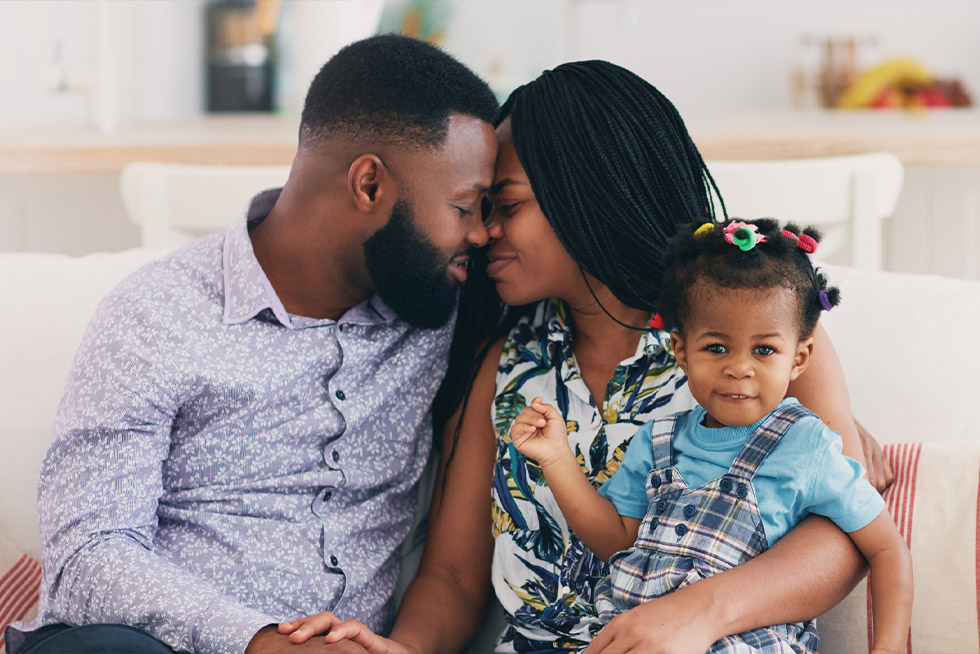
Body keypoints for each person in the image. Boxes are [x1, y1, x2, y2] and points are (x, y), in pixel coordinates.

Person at [278, 61, 893, 654]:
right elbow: (453, 578)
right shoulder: (507, 365)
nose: (485, 229)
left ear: (583, 197)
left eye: (507, 205)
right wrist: (403, 649)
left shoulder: (750, 338)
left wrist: (698, 612)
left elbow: (846, 532)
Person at [4, 34, 500, 654]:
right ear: (369, 185)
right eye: (464, 207)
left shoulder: (439, 312)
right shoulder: (157, 313)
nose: (482, 235)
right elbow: (88, 558)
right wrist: (262, 643)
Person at [510, 218, 913, 653]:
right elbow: (615, 541)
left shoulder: (807, 445)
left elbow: (887, 550)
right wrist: (555, 459)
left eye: (764, 350)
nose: (739, 367)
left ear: (800, 359)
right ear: (682, 352)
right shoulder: (658, 442)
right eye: (716, 347)